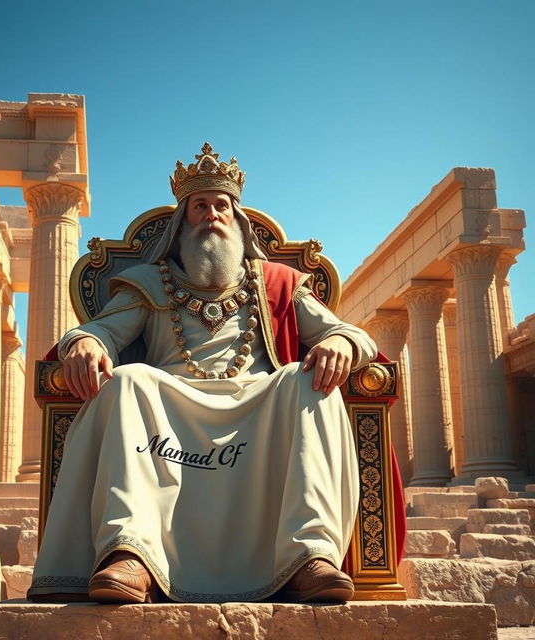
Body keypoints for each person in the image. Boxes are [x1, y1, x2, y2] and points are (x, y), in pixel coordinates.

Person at [28, 143, 378, 604]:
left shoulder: (275, 283)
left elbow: (354, 336)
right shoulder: (149, 283)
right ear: (183, 221)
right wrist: (86, 342)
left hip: (259, 405)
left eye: (221, 206)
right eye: (200, 206)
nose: (212, 214)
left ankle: (309, 556)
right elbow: (100, 331)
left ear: (236, 220)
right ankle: (129, 553)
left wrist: (339, 342)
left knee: (307, 382)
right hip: (169, 407)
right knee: (130, 381)